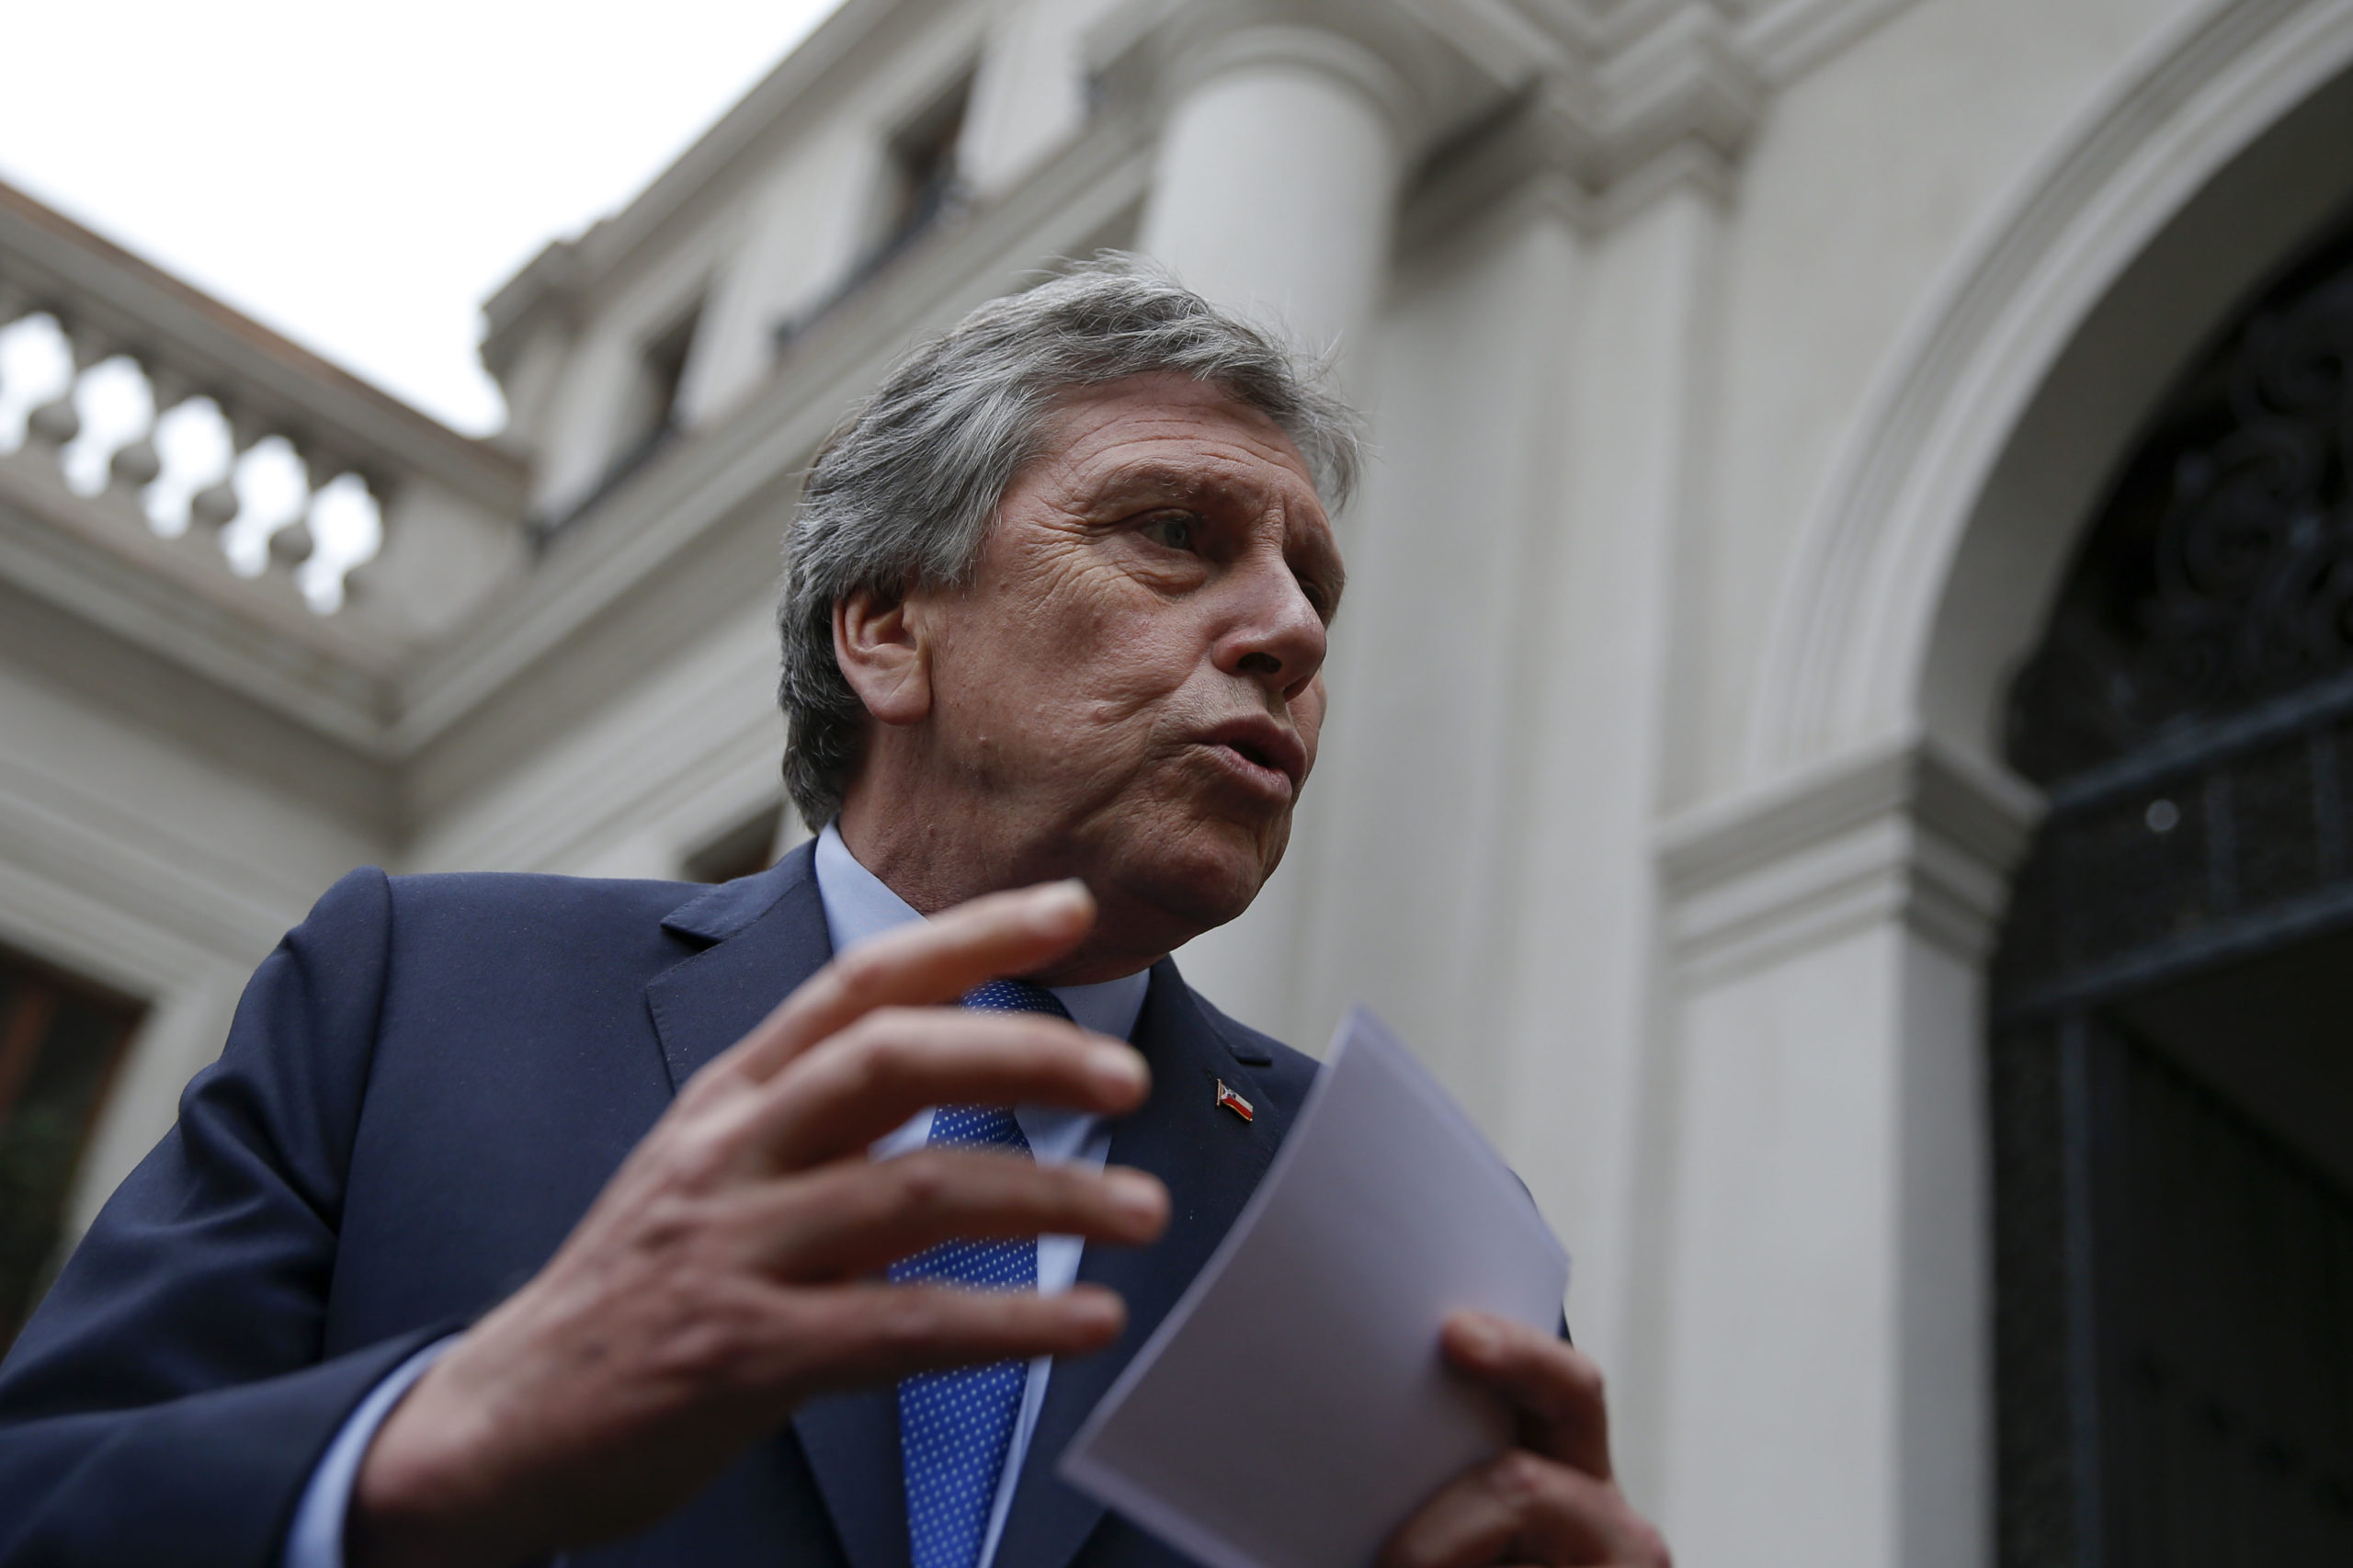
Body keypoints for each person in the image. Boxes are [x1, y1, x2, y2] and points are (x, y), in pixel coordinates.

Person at [0, 259, 1668, 1568]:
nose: (1289, 631)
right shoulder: (415, 996)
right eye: (1177, 533)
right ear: (885, 631)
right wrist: (428, 1437)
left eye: (1314, 586)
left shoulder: (1402, 1226)